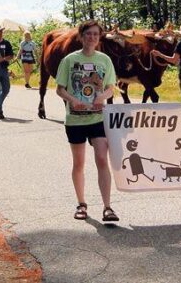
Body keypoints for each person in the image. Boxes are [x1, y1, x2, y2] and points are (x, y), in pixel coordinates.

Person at [55, 20, 119, 222]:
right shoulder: (69, 60)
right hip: (75, 120)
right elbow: (60, 88)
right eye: (88, 34)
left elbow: (110, 87)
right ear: (81, 36)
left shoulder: (105, 60)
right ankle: (81, 204)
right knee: (79, 163)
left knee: (102, 158)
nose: (92, 37)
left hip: (98, 118)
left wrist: (102, 97)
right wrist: (73, 100)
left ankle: (108, 207)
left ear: (99, 38)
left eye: (95, 34)